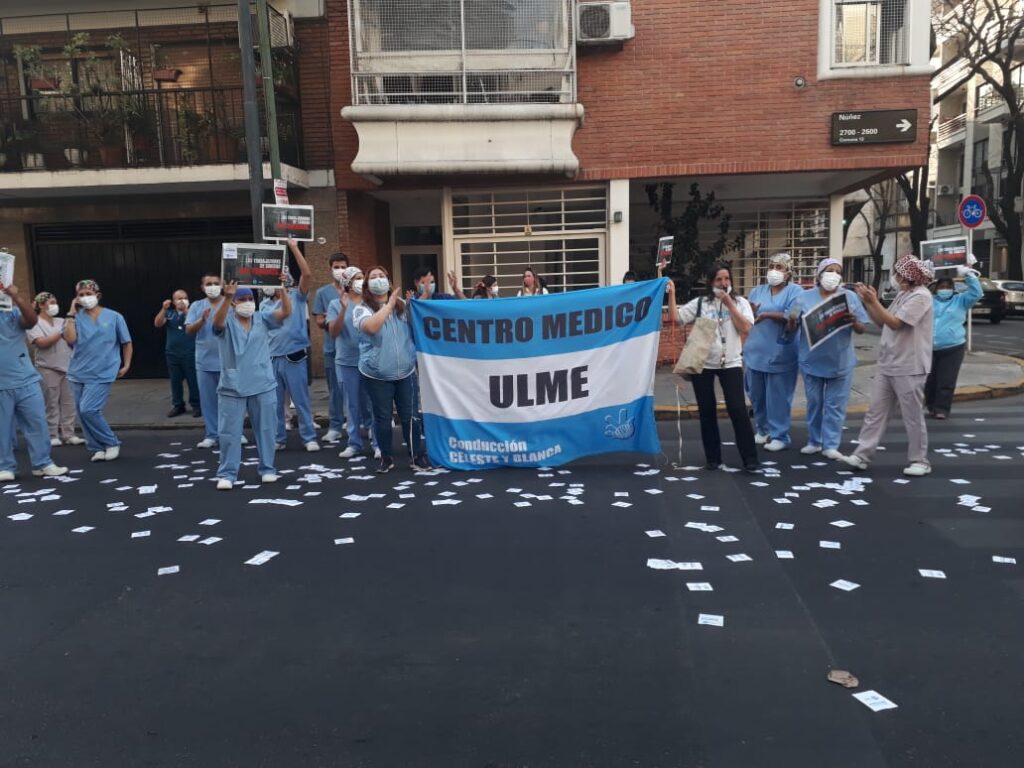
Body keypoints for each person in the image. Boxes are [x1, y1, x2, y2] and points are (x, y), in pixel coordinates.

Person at [844, 255, 935, 477]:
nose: (895, 277)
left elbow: (895, 323)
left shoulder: (922, 297)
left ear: (909, 276)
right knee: (876, 411)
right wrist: (868, 301)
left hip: (910, 365)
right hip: (888, 362)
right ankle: (862, 454)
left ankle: (920, 460)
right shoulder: (904, 294)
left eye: (898, 273)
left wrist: (873, 301)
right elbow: (880, 321)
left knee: (912, 415)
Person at [668, 261, 758, 471]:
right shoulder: (701, 303)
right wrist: (671, 294)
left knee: (737, 409)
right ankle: (713, 458)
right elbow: (676, 318)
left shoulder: (740, 302)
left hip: (731, 362)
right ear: (711, 282)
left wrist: (729, 304)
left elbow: (746, 327)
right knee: (707, 411)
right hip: (704, 364)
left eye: (726, 279)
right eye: (719, 279)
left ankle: (750, 458)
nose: (723, 283)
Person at [212, 283, 291, 489]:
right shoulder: (226, 320)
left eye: (250, 299)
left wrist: (281, 289)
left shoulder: (262, 318)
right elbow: (217, 323)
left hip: (262, 382)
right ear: (234, 303)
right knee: (229, 431)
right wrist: (227, 297)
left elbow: (285, 312)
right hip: (233, 385)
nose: (247, 303)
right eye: (242, 300)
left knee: (266, 428)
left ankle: (268, 468)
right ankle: (228, 473)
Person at [790, 258, 869, 460]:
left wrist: (854, 321)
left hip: (841, 361)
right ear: (819, 274)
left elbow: (861, 328)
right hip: (811, 360)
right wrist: (791, 320)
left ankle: (831, 444)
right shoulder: (803, 297)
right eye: (829, 270)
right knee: (814, 402)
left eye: (837, 271)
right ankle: (814, 441)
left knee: (835, 404)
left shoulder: (849, 297)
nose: (833, 274)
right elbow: (790, 329)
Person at [353, 266, 430, 473]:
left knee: (410, 416)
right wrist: (389, 304)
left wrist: (421, 299)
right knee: (383, 417)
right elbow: (371, 327)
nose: (379, 279)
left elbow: (420, 325)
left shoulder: (402, 306)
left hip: (405, 371)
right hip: (376, 374)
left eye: (382, 276)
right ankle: (386, 456)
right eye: (374, 277)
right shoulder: (362, 309)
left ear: (388, 280)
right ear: (368, 285)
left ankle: (416, 455)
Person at [0, 281, 68, 482]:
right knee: (2, 429)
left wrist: (16, 297)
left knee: (37, 423)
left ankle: (43, 463)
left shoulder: (11, 315)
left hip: (26, 380)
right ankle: (4, 466)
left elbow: (31, 321)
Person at [63, 279, 133, 462]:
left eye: (89, 294)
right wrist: (71, 313)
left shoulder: (114, 316)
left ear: (98, 295)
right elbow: (70, 339)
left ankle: (111, 442)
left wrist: (126, 364)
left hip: (103, 370)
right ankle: (96, 447)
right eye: (81, 295)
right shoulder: (75, 318)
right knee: (81, 412)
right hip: (78, 371)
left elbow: (126, 342)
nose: (85, 298)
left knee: (89, 409)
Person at [261, 239, 319, 452]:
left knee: (301, 399)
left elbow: (307, 274)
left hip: (295, 355)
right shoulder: (264, 305)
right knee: (274, 403)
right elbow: (282, 313)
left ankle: (309, 437)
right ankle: (279, 437)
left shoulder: (298, 296)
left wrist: (293, 246)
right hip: (273, 356)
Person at [744, 253, 805, 452]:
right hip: (756, 351)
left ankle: (780, 435)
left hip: (780, 352)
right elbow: (748, 315)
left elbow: (793, 314)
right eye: (771, 266)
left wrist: (767, 314)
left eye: (779, 267)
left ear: (788, 272)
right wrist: (751, 311)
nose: (774, 271)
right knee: (756, 394)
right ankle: (763, 430)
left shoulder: (796, 291)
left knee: (778, 397)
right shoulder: (757, 291)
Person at [327, 266, 379, 460]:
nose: (360, 281)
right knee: (352, 404)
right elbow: (333, 331)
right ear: (347, 283)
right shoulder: (335, 303)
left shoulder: (370, 301)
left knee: (372, 402)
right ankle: (354, 443)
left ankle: (377, 443)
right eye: (356, 278)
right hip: (346, 361)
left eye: (361, 277)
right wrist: (342, 308)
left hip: (369, 359)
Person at [925, 261, 983, 420]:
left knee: (946, 380)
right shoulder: (928, 300)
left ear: (953, 288)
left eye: (947, 286)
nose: (944, 289)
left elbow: (976, 293)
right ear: (936, 288)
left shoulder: (961, 300)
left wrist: (968, 275)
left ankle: (942, 409)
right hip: (929, 347)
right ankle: (931, 406)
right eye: (941, 286)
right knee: (930, 381)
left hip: (953, 347)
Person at [26, 291, 83, 446]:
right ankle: (52, 434)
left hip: (67, 366)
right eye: (50, 302)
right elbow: (42, 343)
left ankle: (69, 433)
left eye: (55, 301)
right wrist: (62, 330)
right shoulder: (34, 323)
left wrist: (67, 326)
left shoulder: (60, 321)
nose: (54, 305)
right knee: (51, 403)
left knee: (68, 402)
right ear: (40, 305)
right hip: (47, 368)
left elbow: (72, 338)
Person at [311, 252, 350, 444]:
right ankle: (335, 426)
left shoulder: (355, 290)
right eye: (336, 267)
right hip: (332, 348)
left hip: (353, 349)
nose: (340, 270)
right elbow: (318, 319)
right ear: (330, 269)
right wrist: (329, 321)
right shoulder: (322, 293)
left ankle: (363, 423)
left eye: (343, 266)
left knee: (361, 390)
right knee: (335, 389)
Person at [186, 274, 226, 448]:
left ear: (222, 285)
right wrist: (202, 320)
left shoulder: (230, 303)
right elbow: (189, 330)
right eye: (208, 284)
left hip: (228, 360)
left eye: (216, 283)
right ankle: (212, 434)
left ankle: (234, 433)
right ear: (202, 287)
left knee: (231, 401)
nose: (212, 286)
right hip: (205, 361)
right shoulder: (197, 306)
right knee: (208, 400)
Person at [154, 289, 200, 418]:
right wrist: (163, 309)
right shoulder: (170, 313)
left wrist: (185, 311)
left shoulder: (192, 312)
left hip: (190, 352)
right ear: (173, 301)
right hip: (172, 353)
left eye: (184, 297)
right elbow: (157, 323)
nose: (182, 300)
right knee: (175, 381)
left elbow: (196, 323)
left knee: (193, 381)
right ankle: (178, 405)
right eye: (179, 298)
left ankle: (197, 405)